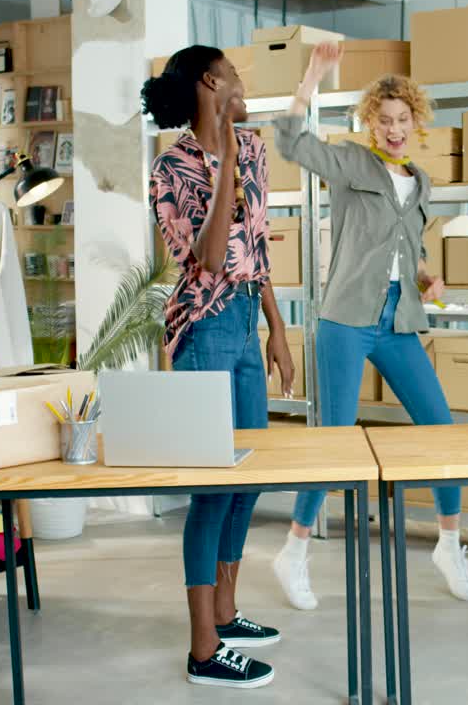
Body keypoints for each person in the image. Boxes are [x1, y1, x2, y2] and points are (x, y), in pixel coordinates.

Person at [269, 42, 468, 610]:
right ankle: (294, 551)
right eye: (383, 120)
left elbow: (404, 249)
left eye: (401, 119)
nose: (392, 129)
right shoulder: (349, 163)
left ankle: (449, 541)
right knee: (334, 442)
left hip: (397, 320)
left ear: (415, 122)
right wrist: (311, 76)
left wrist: (426, 276)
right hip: (345, 319)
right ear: (370, 123)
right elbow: (291, 141)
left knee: (441, 428)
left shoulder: (421, 181)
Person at [142, 45, 295, 689]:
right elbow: (205, 258)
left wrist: (279, 330)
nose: (242, 82)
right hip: (201, 327)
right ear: (212, 82)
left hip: (242, 319)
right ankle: (203, 649)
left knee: (248, 478)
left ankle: (226, 613)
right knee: (212, 487)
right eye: (234, 72)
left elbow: (253, 248)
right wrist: (226, 158)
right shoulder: (171, 168)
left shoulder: (256, 148)